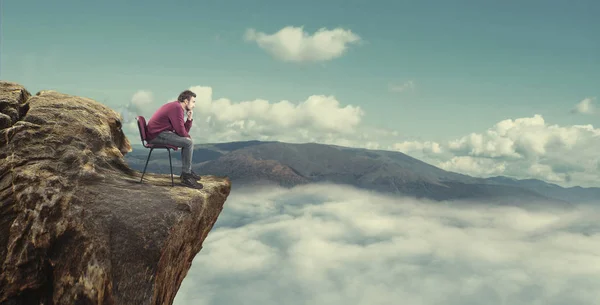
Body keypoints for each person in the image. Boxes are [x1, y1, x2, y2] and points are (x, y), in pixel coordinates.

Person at [146, 90, 202, 189]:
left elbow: (182, 131)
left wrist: (189, 119)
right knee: (188, 143)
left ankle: (187, 172)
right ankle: (186, 176)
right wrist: (187, 137)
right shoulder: (177, 108)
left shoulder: (176, 107)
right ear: (186, 101)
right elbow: (181, 132)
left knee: (187, 142)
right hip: (156, 135)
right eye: (193, 102)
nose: (194, 105)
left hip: (159, 133)